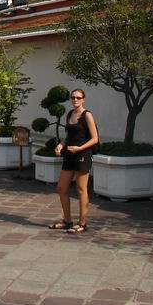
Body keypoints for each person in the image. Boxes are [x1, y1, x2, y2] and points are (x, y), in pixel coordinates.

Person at [49, 88, 99, 234]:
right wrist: (61, 144)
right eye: (73, 97)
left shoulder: (87, 115)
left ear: (83, 99)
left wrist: (79, 148)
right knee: (61, 188)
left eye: (78, 97)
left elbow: (95, 139)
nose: (75, 100)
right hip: (70, 155)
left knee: (81, 189)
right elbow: (68, 135)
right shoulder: (70, 114)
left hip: (83, 154)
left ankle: (82, 223)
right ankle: (67, 221)